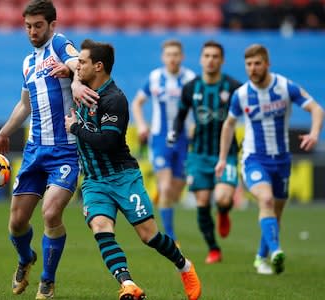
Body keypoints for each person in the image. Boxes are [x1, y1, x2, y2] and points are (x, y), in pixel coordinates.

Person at [65, 38, 201, 300]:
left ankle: (185, 266)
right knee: (101, 228)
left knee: (148, 236)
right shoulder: (81, 82)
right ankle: (128, 284)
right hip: (94, 180)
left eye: (82, 63)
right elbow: (62, 60)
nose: (76, 66)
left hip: (123, 176)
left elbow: (107, 142)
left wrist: (75, 128)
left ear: (99, 66)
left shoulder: (115, 100)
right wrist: (72, 78)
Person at [0, 1, 95, 299]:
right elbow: (24, 104)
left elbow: (78, 62)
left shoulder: (60, 44)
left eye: (38, 25)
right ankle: (26, 259)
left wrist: (76, 79)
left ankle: (47, 282)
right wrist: (3, 132)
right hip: (35, 150)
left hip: (65, 151)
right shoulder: (27, 63)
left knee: (51, 214)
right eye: (28, 26)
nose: (32, 31)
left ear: (52, 24)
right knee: (17, 221)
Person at [215, 44, 324, 275]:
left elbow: (316, 109)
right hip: (254, 159)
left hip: (282, 160)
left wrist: (314, 133)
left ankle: (260, 257)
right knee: (265, 200)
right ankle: (276, 252)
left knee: (276, 214)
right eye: (248, 64)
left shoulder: (285, 87)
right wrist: (223, 158)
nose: (252, 69)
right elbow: (229, 125)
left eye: (257, 63)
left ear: (267, 64)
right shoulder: (242, 94)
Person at [168, 40, 242, 264]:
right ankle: (214, 249)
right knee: (201, 202)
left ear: (222, 60)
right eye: (207, 56)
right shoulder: (191, 88)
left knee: (222, 197)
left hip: (226, 153)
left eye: (215, 56)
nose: (211, 60)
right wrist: (175, 132)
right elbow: (180, 117)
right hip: (198, 153)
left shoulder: (234, 87)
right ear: (201, 59)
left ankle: (224, 210)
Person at [131, 39, 196, 243]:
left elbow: (199, 105)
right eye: (169, 54)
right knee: (166, 187)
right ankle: (171, 236)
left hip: (183, 139)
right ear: (163, 57)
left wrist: (196, 124)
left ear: (182, 57)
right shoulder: (155, 77)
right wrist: (141, 124)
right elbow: (137, 103)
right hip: (159, 138)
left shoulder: (190, 78)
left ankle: (163, 202)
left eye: (176, 54)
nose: (172, 58)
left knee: (176, 190)